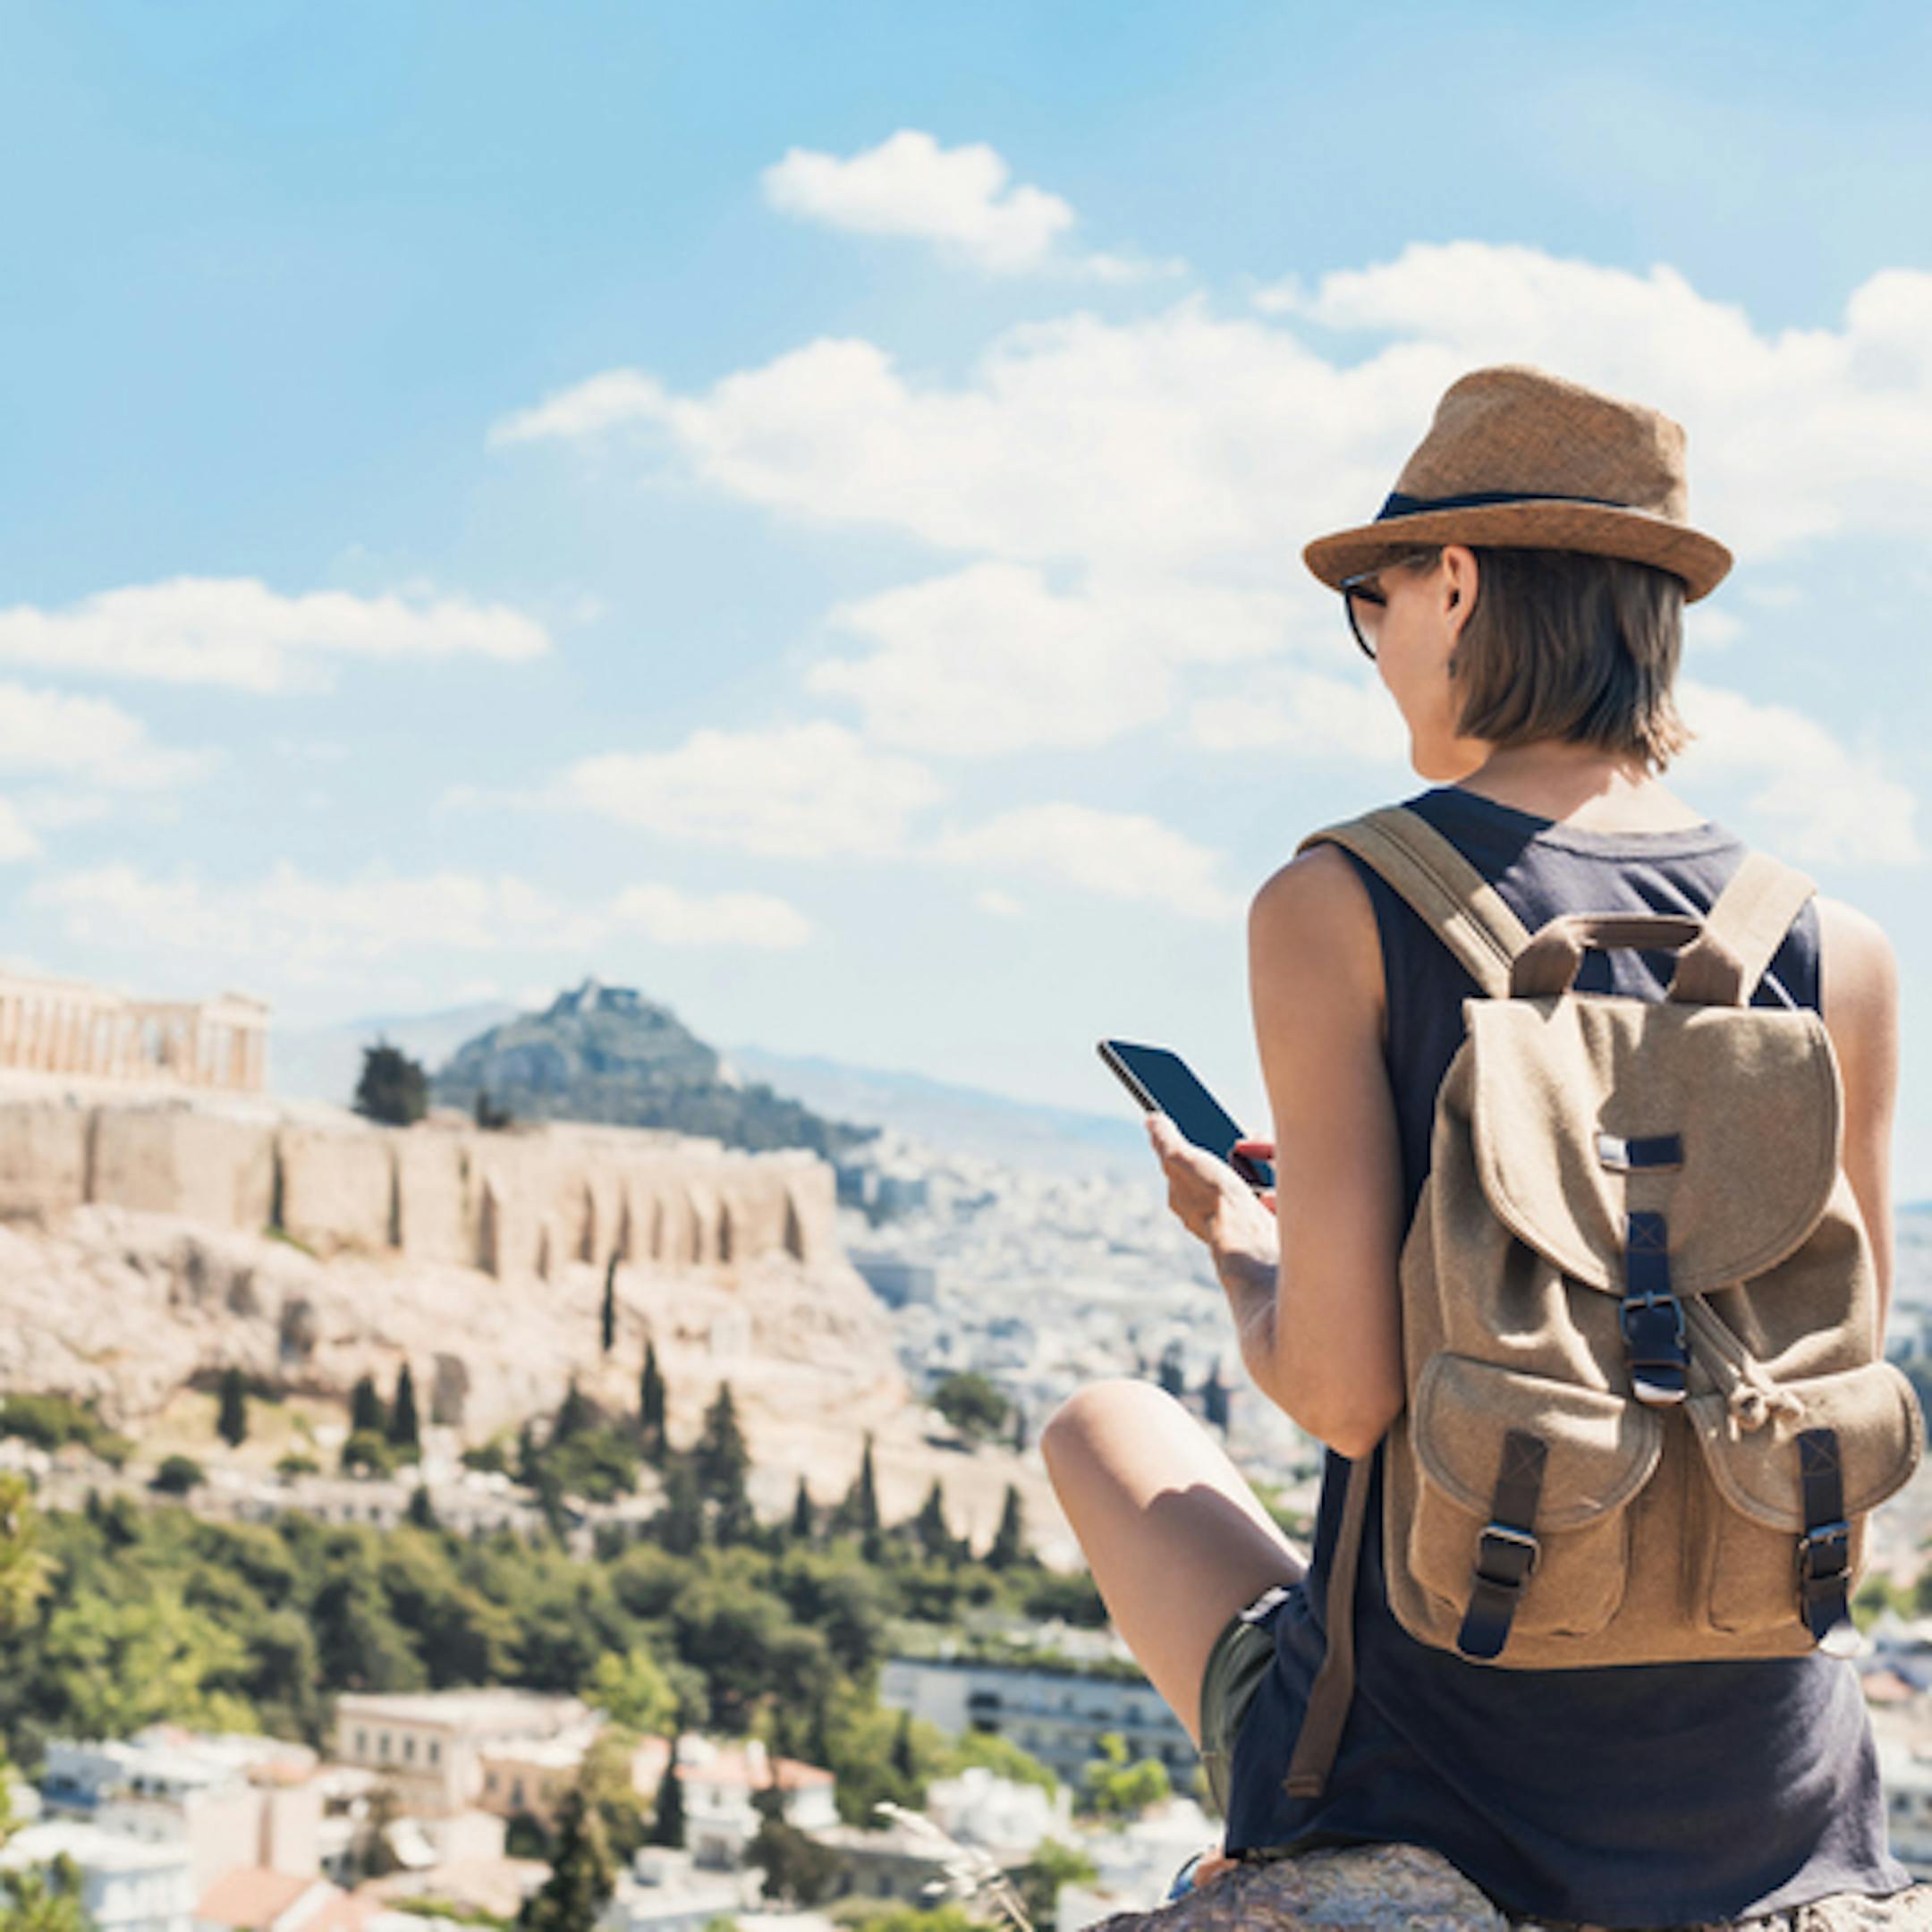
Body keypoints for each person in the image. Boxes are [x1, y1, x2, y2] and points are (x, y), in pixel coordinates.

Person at [1041, 365, 1916, 1925]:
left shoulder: (1340, 903)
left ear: (1454, 582)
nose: (1375, 648)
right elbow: (1832, 1376)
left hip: (1441, 1777)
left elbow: (1349, 1393)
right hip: (1773, 1794)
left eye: (1370, 601)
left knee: (1101, 1427)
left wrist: (1253, 1256)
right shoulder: (1832, 944)